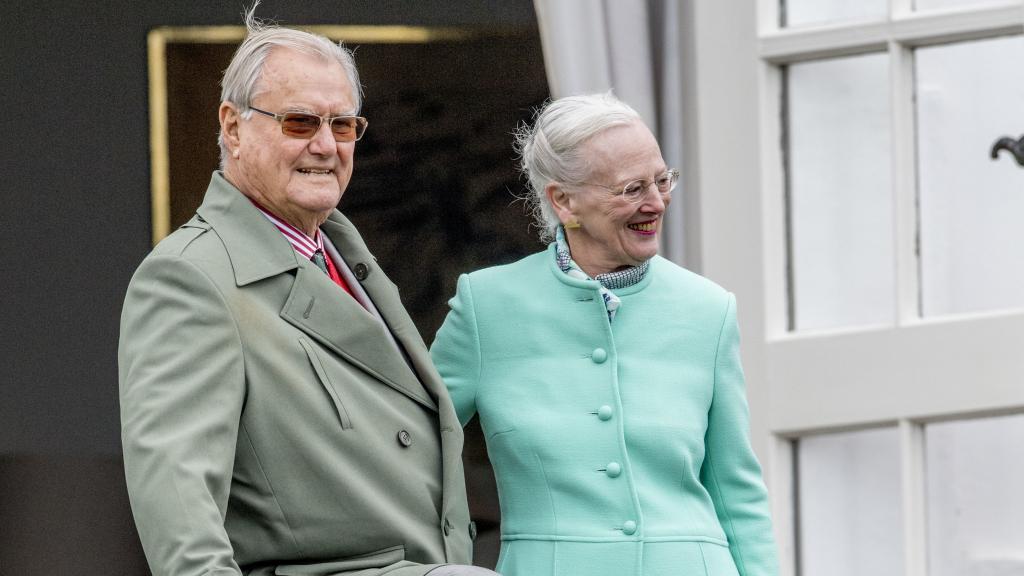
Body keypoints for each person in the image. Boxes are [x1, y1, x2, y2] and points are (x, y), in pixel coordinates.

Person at [118, 7, 497, 576]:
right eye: (300, 122)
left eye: (342, 125)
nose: (326, 145)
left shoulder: (340, 251)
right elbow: (181, 518)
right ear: (233, 127)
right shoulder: (189, 277)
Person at [430, 93, 779, 576]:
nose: (655, 203)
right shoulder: (486, 307)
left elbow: (735, 488)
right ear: (564, 201)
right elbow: (412, 451)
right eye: (631, 188)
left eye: (662, 180)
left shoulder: (708, 309)